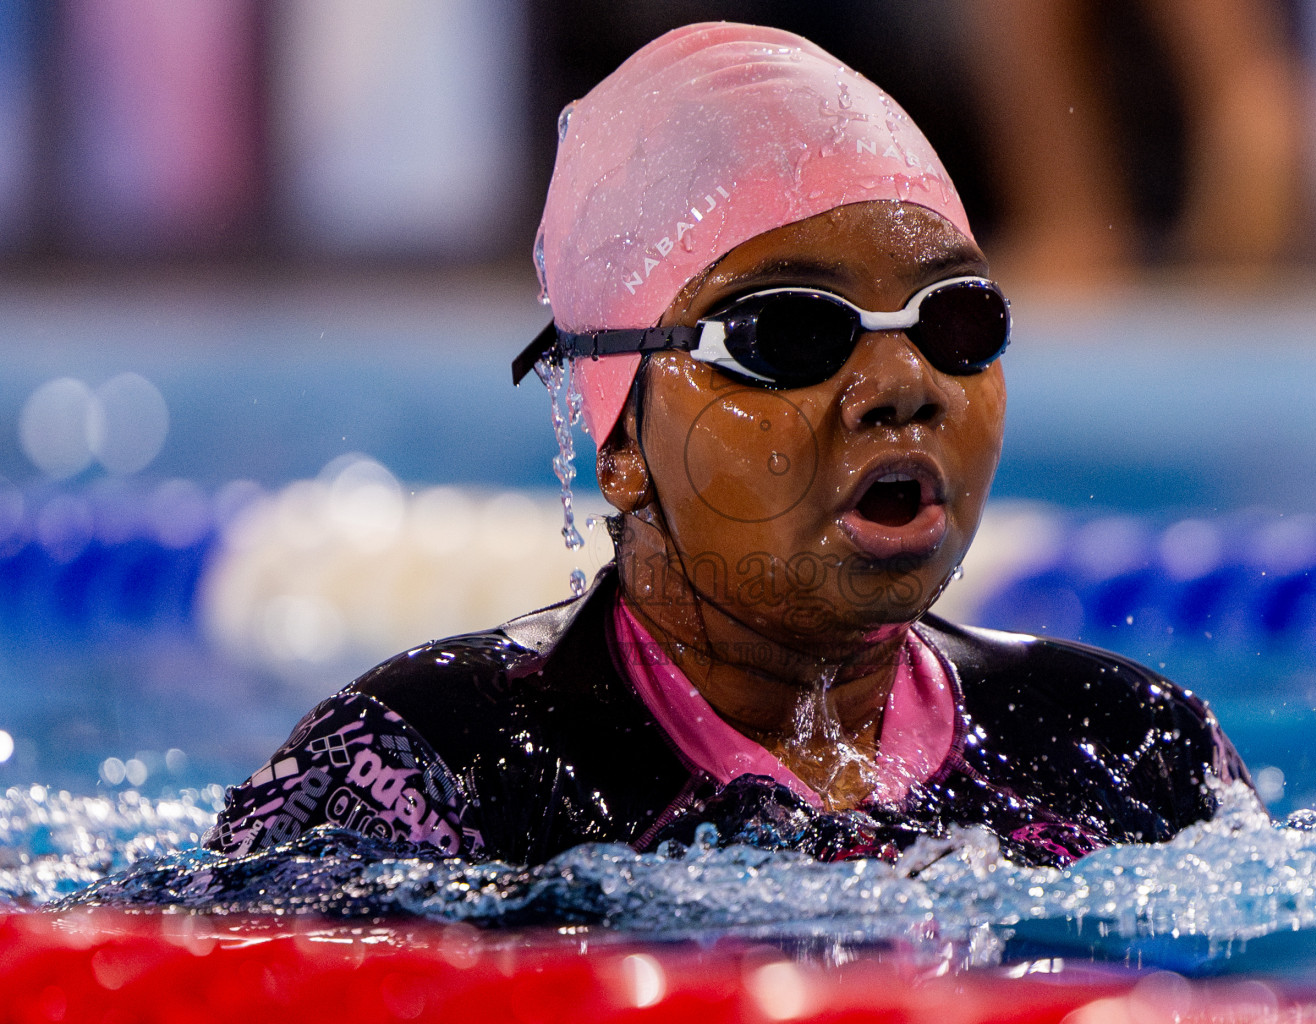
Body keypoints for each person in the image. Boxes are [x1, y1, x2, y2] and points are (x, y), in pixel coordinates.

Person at [205, 22, 1251, 868]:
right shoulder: (429, 776)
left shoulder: (1131, 750)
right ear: (619, 438)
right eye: (789, 332)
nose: (905, 389)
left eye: (955, 320)